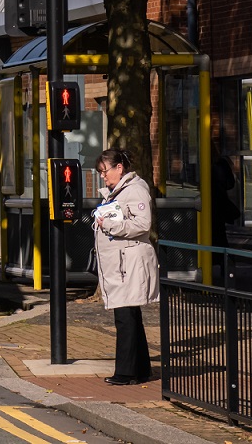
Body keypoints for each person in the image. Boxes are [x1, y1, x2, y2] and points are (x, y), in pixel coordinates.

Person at [93, 147, 159, 385]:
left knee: (125, 315)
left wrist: (111, 226)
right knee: (130, 314)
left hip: (129, 262)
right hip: (123, 262)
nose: (103, 175)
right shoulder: (118, 191)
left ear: (119, 168)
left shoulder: (136, 189)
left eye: (105, 170)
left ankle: (125, 372)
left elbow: (143, 224)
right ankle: (140, 369)